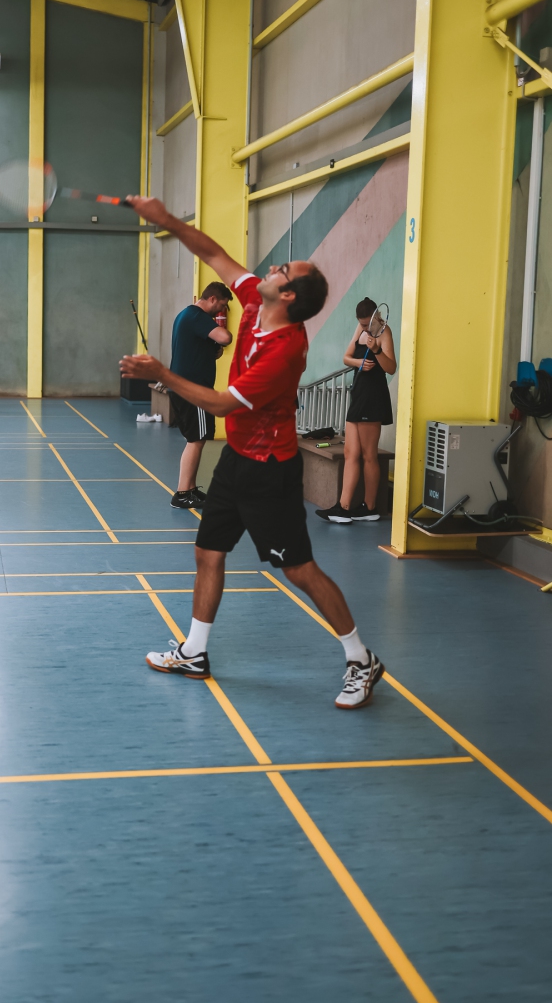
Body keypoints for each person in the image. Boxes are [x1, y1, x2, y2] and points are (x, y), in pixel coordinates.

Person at [120, 196, 384, 711]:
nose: (271, 268)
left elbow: (220, 404)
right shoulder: (253, 301)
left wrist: (162, 374)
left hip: (270, 472)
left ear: (287, 295)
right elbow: (214, 254)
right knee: (208, 551)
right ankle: (194, 652)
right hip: (237, 460)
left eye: (282, 269)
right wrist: (166, 220)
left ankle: (361, 658)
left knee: (300, 569)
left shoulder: (284, 350)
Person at [316, 297, 397, 524]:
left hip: (373, 396)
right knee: (350, 453)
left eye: (366, 323)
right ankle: (343, 507)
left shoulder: (384, 332)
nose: (363, 328)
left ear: (376, 317)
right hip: (359, 394)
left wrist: (376, 350)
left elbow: (391, 368)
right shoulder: (360, 329)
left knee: (369, 455)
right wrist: (358, 363)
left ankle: (370, 507)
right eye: (360, 324)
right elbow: (346, 357)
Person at [168, 282, 234, 509]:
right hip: (193, 390)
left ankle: (190, 488)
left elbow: (199, 349)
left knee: (197, 439)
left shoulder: (185, 315)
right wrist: (223, 335)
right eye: (222, 305)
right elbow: (225, 337)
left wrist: (210, 349)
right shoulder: (197, 316)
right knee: (196, 440)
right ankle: (182, 493)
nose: (221, 311)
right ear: (212, 299)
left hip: (186, 387)